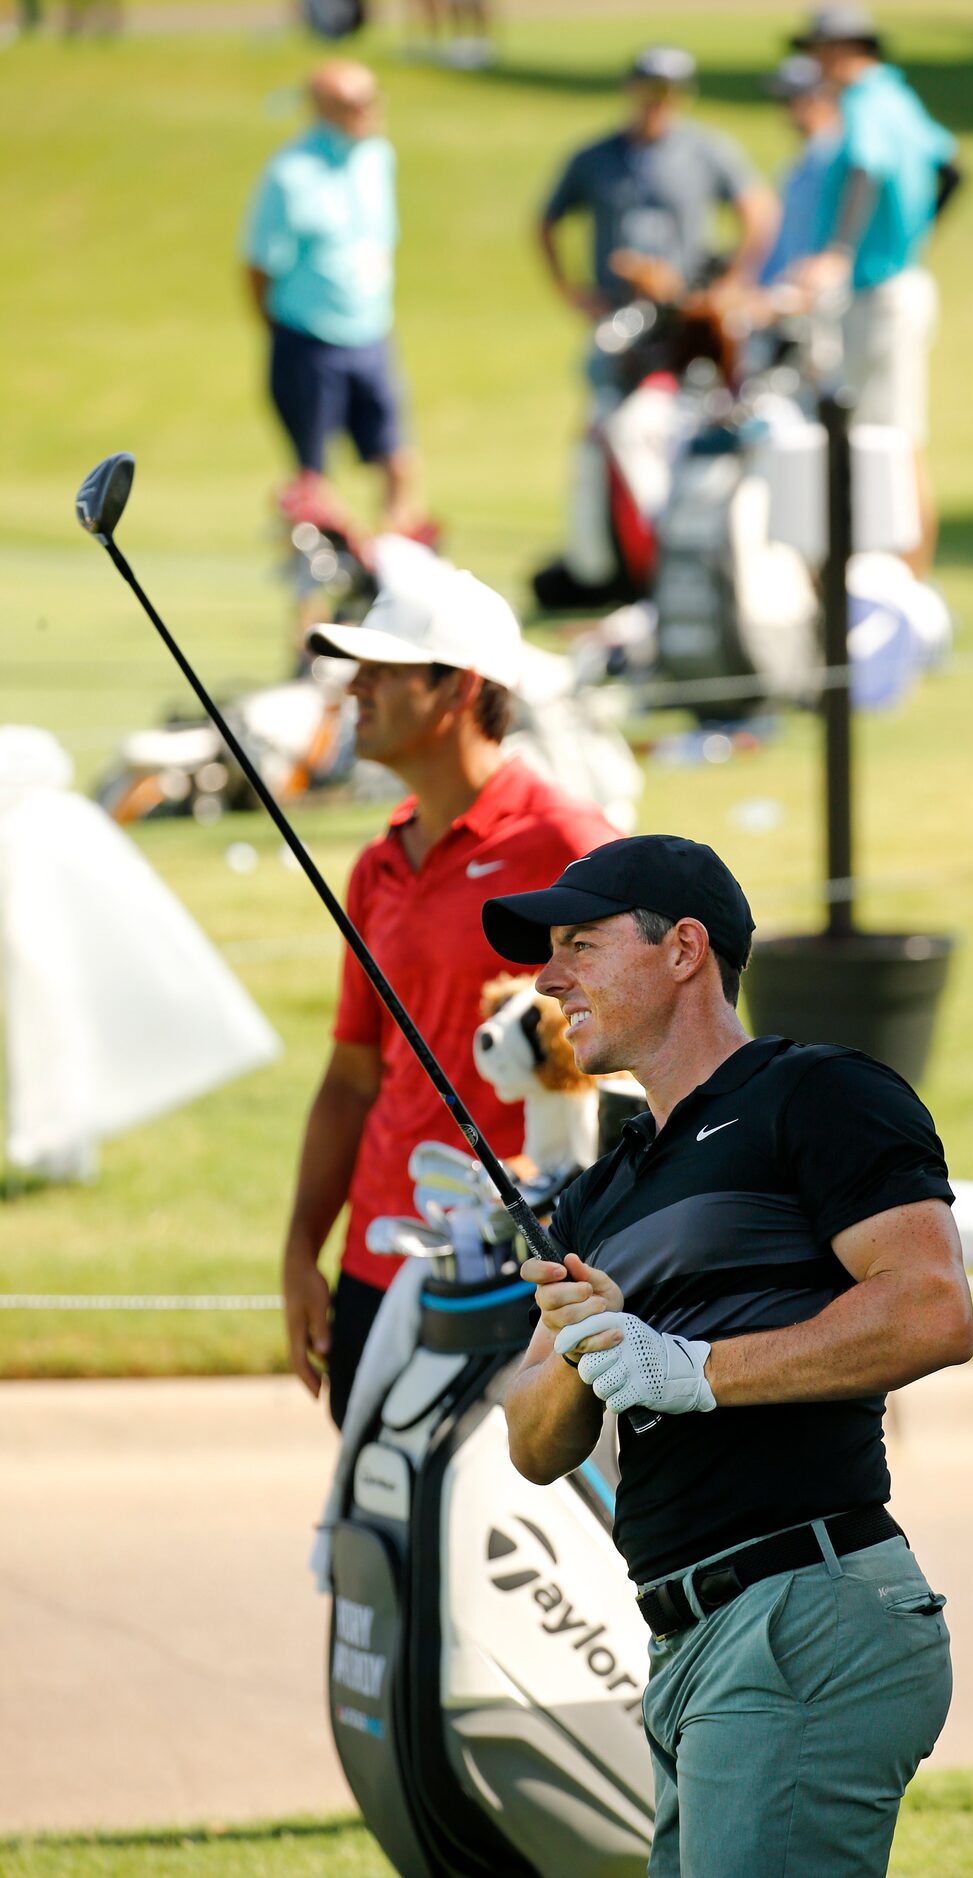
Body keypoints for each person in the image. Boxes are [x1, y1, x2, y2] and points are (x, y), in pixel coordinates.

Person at [485, 835, 973, 1876]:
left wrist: (691, 1369)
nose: (548, 976)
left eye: (581, 942)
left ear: (683, 950)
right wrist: (584, 1351)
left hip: (800, 1615)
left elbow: (930, 1308)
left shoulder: (817, 1094)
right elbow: (532, 1440)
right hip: (685, 1648)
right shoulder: (603, 1189)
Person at [282, 568, 618, 1425]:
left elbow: (650, 1056)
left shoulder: (570, 845)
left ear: (459, 689)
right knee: (383, 1531)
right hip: (376, 1262)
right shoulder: (376, 865)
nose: (357, 687)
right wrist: (299, 1247)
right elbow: (354, 1077)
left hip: (515, 1271)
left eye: (385, 671)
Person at [789, 6, 959, 576]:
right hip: (899, 279)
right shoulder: (902, 99)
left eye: (817, 51)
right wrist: (914, 231)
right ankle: (901, 576)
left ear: (839, 51)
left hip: (878, 291)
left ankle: (906, 579)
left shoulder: (863, 101)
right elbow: (951, 167)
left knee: (887, 439)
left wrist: (839, 251)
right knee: (894, 435)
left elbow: (867, 168)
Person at [242, 61, 423, 536]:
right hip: (308, 340)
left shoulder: (378, 156)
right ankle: (311, 600)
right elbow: (259, 267)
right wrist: (281, 330)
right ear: (322, 109)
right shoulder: (290, 173)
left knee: (400, 465)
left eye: (371, 100)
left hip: (371, 335)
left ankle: (385, 580)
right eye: (352, 104)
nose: (368, 112)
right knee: (310, 484)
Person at [537, 46, 778, 394]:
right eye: (649, 88)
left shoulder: (705, 149)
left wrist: (736, 280)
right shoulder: (596, 156)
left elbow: (759, 210)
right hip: (617, 310)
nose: (657, 100)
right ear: (630, 89)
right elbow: (547, 221)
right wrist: (570, 290)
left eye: (667, 90)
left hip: (685, 313)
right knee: (606, 401)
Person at [759, 55, 842, 290]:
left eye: (792, 99)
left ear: (821, 98)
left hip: (816, 292)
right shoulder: (802, 159)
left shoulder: (835, 157)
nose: (785, 109)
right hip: (786, 288)